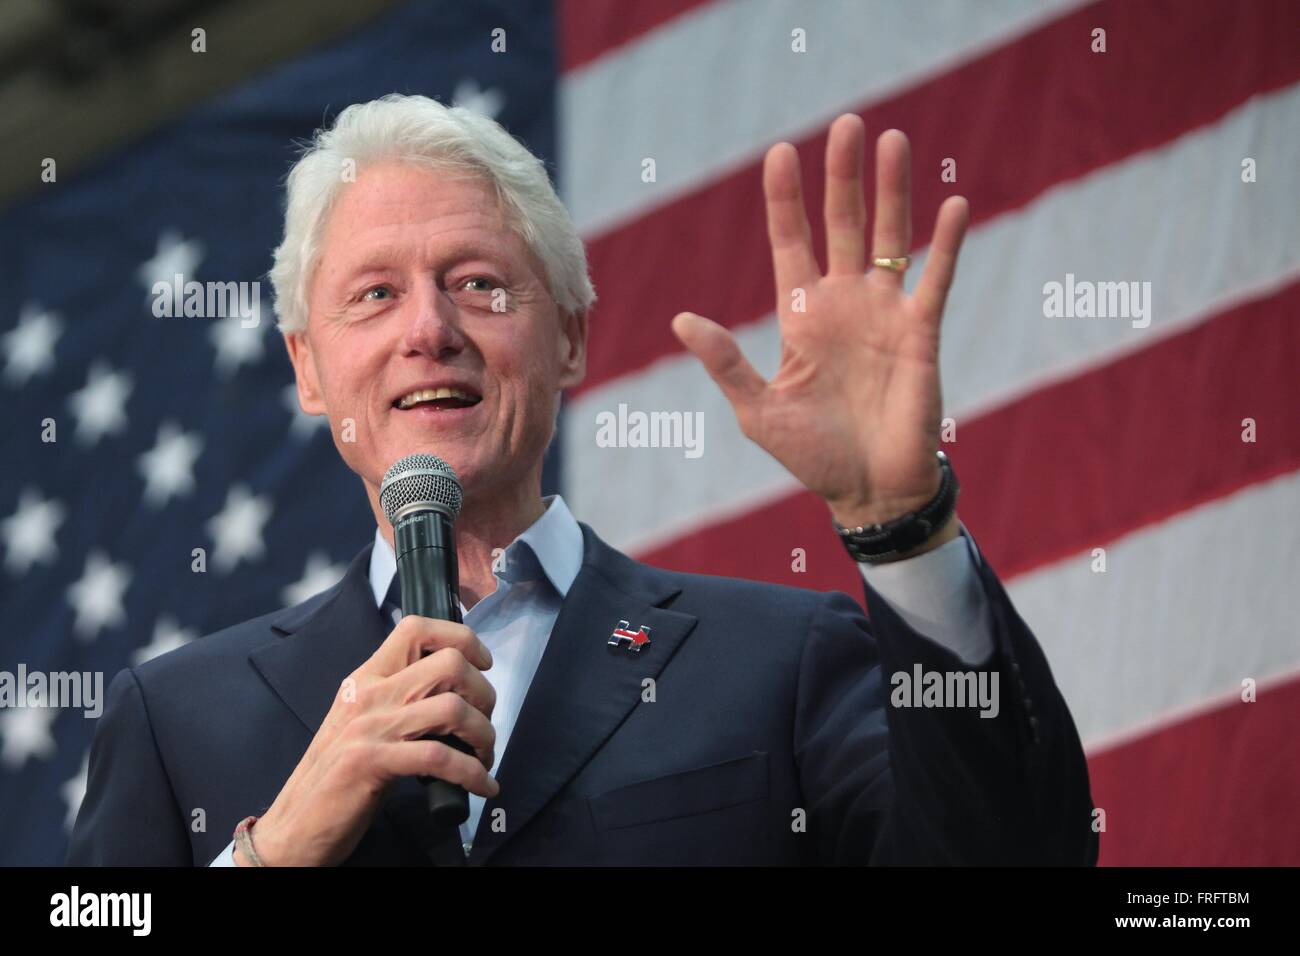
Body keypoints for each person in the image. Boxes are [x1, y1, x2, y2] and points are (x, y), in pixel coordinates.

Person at [68, 94, 1097, 866]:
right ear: (307, 367)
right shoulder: (175, 720)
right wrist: (272, 850)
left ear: (567, 339)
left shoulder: (778, 665)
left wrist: (901, 525)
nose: (428, 329)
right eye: (374, 294)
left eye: (477, 283)